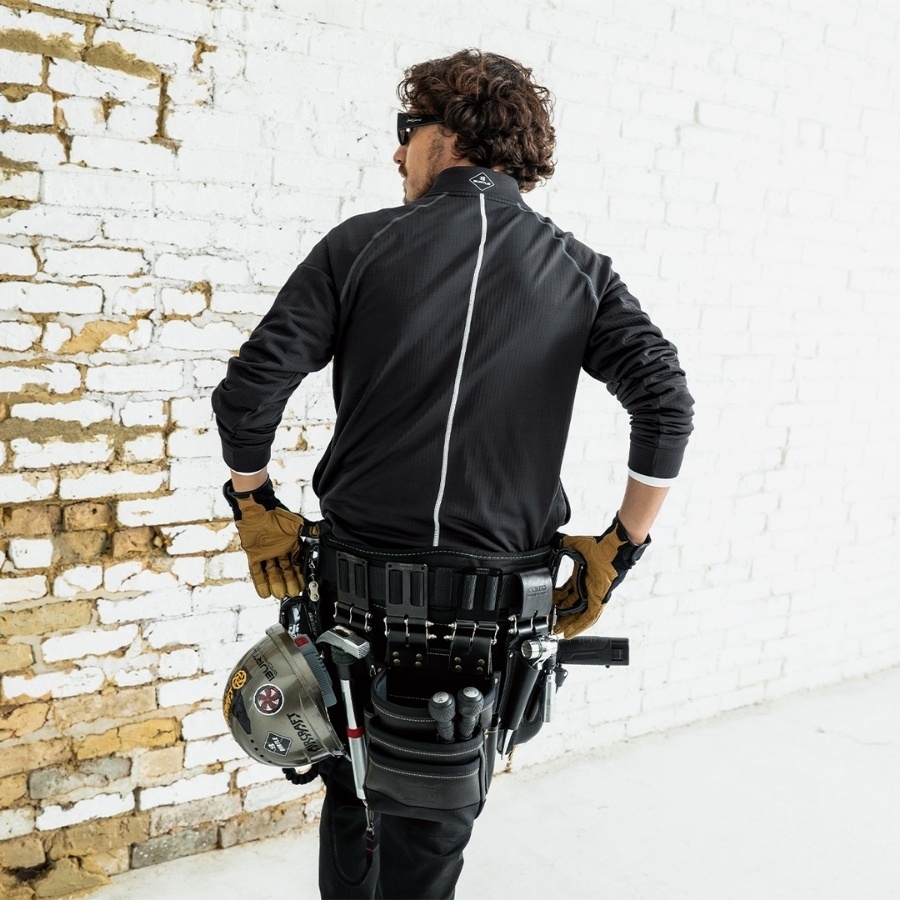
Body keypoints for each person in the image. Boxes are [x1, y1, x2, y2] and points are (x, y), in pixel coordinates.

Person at [212, 49, 693, 900]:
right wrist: (620, 548)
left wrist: (255, 504)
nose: (398, 152)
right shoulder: (580, 271)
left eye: (408, 131)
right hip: (489, 619)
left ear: (450, 134)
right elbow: (666, 404)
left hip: (351, 601)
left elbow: (249, 393)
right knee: (431, 832)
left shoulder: (359, 246)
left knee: (350, 788)